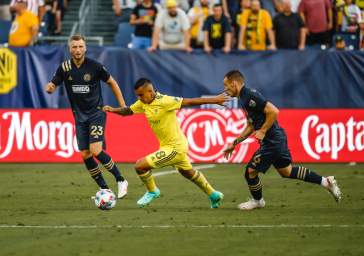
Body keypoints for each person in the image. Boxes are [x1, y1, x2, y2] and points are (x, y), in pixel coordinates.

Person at [222, 70, 342, 210]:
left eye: (226, 85)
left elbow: (274, 111)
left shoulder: (249, 95)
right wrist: (235, 143)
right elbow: (250, 126)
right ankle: (325, 182)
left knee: (250, 172)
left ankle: (258, 201)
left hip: (271, 141)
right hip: (276, 139)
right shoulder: (244, 98)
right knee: (287, 171)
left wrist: (263, 130)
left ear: (234, 83)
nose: (225, 89)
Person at [103, 78, 227, 208]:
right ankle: (214, 195)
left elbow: (189, 102)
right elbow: (128, 111)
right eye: (137, 95)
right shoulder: (143, 102)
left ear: (150, 92)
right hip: (170, 145)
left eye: (141, 95)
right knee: (187, 172)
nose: (139, 98)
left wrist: (214, 100)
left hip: (175, 147)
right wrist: (112, 110)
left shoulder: (165, 101)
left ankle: (152, 191)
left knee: (140, 166)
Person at [45, 35, 129, 199]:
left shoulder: (95, 66)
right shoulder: (65, 67)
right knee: (85, 154)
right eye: (74, 47)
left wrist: (123, 106)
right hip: (79, 116)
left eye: (80, 46)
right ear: (70, 49)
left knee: (95, 149)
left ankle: (121, 180)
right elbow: (54, 82)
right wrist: (50, 87)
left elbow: (112, 82)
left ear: (85, 48)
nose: (77, 50)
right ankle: (104, 188)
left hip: (96, 112)